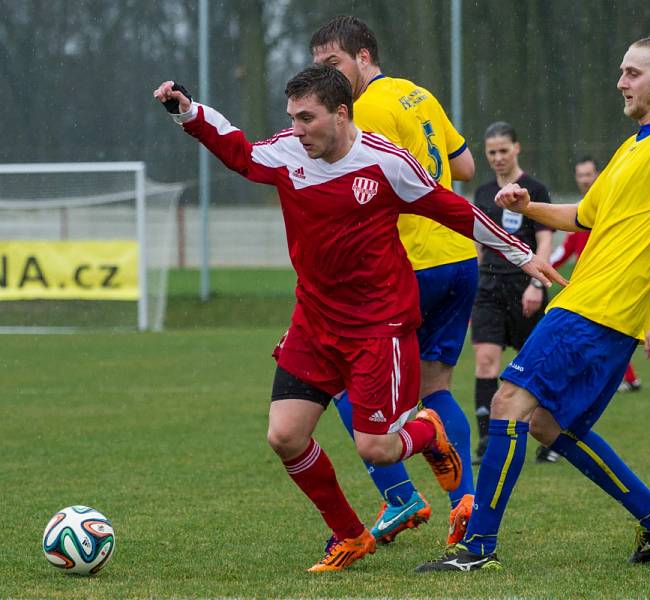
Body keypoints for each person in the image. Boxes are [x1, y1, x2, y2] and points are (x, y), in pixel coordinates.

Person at [153, 65, 564, 572]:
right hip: (314, 321)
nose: (296, 129)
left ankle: (428, 431)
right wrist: (189, 113)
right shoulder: (287, 153)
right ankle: (348, 534)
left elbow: (450, 208)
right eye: (292, 118)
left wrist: (522, 255)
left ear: (342, 114)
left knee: (381, 449)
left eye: (307, 119)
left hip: (379, 325)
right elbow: (237, 149)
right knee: (284, 436)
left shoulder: (386, 163)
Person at [417, 34, 650, 572]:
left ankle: (478, 546)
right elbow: (583, 217)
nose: (620, 81)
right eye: (622, 71)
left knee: (507, 401)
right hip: (587, 305)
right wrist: (531, 205)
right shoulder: (636, 144)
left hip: (599, 310)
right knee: (550, 425)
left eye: (632, 73)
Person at [310, 16, 480, 546]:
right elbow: (467, 166)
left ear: (364, 57)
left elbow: (359, 178)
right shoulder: (418, 95)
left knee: (340, 374)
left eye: (333, 65)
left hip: (411, 265)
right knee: (436, 388)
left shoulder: (366, 109)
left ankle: (400, 495)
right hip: (460, 258)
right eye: (318, 68)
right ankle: (467, 504)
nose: (326, 79)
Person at [469, 121, 556, 466]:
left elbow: (546, 240)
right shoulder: (481, 192)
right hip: (488, 288)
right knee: (486, 359)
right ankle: (487, 439)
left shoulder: (534, 189)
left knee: (535, 367)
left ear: (517, 148)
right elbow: (478, 244)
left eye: (503, 150)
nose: (498, 158)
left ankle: (550, 434)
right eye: (491, 152)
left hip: (525, 289)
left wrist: (538, 283)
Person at [551, 157, 642, 394]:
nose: (584, 180)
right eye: (580, 175)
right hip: (588, 283)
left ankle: (618, 378)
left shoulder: (611, 205)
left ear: (598, 175)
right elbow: (567, 247)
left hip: (611, 278)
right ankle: (627, 378)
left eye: (588, 174)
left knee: (602, 329)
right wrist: (542, 267)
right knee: (602, 330)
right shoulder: (582, 210)